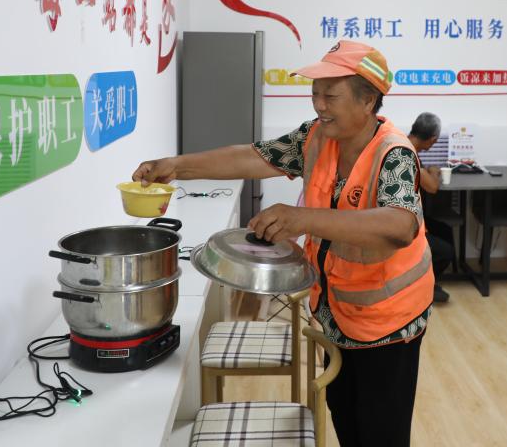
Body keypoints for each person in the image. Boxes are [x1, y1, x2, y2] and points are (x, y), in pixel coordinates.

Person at [132, 40, 433, 447]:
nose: (319, 105)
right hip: (338, 314)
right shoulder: (316, 137)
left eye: (330, 96)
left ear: (367, 101)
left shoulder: (394, 153)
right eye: (315, 94)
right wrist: (177, 165)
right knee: (346, 415)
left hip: (388, 323)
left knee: (381, 432)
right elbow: (253, 157)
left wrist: (303, 218)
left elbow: (400, 226)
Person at [407, 112, 455, 303]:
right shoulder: (407, 152)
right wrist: (434, 171)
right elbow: (432, 187)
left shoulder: (407, 144)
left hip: (413, 216)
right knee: (445, 251)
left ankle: (429, 281)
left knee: (445, 230)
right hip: (406, 223)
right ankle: (422, 286)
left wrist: (428, 172)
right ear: (433, 139)